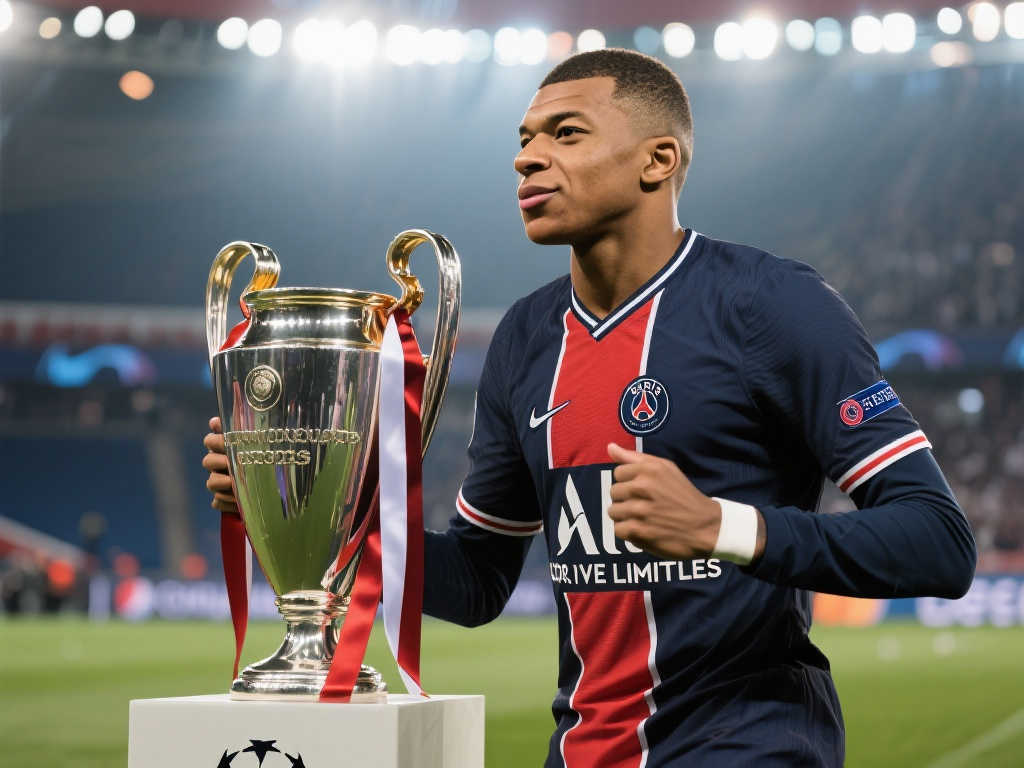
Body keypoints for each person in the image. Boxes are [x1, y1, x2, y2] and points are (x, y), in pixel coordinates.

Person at [204, 49, 976, 767]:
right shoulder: (526, 337)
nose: (527, 157)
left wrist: (721, 526)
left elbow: (938, 541)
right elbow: (477, 581)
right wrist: (319, 507)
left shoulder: (772, 305)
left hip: (747, 745)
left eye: (566, 133)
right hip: (580, 752)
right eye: (524, 139)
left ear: (657, 160)